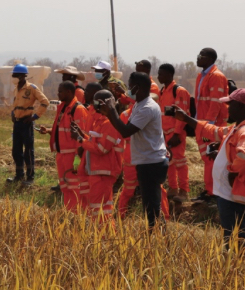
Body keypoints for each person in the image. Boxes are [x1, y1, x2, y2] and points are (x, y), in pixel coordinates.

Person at [173, 88, 245, 247]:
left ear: (242, 107)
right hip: (229, 194)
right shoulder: (237, 128)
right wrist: (187, 119)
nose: (227, 108)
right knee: (232, 235)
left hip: (234, 196)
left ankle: (236, 266)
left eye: (231, 105)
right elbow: (214, 131)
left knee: (235, 237)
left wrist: (233, 172)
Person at [102, 72, 169, 229]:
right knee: (150, 204)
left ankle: (157, 236)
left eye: (130, 86)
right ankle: (157, 234)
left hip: (151, 163)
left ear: (138, 88)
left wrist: (112, 111)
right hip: (147, 161)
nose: (128, 89)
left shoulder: (147, 108)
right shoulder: (140, 104)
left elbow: (126, 131)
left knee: (152, 206)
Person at [72, 89, 123, 222]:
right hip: (96, 171)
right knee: (95, 209)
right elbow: (95, 142)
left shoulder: (109, 123)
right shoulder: (100, 121)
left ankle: (106, 237)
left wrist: (80, 140)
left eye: (95, 102)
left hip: (103, 173)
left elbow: (102, 149)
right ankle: (99, 236)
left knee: (101, 210)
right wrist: (82, 136)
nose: (92, 105)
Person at [40, 81, 87, 212]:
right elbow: (61, 129)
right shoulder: (62, 108)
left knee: (75, 187)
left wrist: (78, 157)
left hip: (71, 156)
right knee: (65, 187)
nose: (58, 93)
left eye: (60, 91)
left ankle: (78, 215)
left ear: (69, 92)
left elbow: (82, 135)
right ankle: (69, 213)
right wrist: (49, 130)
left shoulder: (78, 110)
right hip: (61, 155)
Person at [7, 64, 50, 189]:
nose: (13, 77)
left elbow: (45, 102)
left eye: (15, 75)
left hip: (27, 123)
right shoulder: (16, 89)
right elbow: (16, 104)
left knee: (28, 152)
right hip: (17, 123)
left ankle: (30, 177)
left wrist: (35, 117)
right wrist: (13, 114)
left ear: (21, 76)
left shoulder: (31, 88)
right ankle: (19, 175)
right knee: (16, 151)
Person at [194, 48, 229, 199]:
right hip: (201, 122)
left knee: (211, 158)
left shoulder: (216, 76)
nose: (198, 58)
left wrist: (209, 126)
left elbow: (216, 102)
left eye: (200, 56)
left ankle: (212, 192)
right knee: (206, 157)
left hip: (211, 124)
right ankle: (210, 189)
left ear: (209, 58)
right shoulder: (202, 76)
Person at [157, 63, 191, 201]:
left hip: (176, 133)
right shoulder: (162, 91)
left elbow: (182, 114)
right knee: (169, 162)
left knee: (180, 162)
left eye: (161, 74)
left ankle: (184, 191)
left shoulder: (178, 91)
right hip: (165, 133)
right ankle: (173, 187)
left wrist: (177, 134)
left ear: (169, 75)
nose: (159, 76)